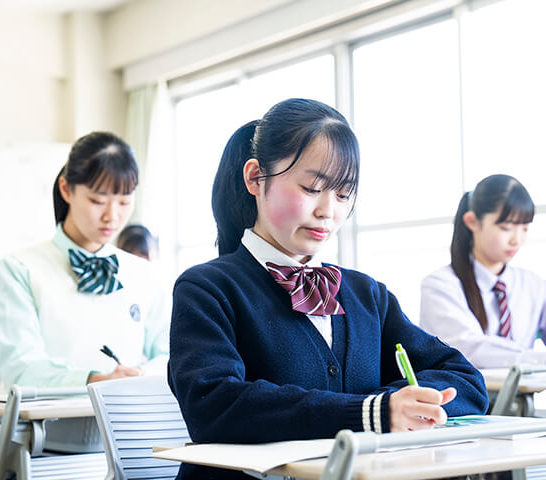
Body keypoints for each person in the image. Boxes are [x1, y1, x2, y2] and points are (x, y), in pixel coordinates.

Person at [168, 98, 488, 480]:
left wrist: (406, 405)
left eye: (342, 194)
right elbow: (214, 406)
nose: (328, 211)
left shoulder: (367, 294)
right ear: (256, 178)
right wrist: (371, 413)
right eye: (312, 188)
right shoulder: (207, 288)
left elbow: (466, 380)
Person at [0, 131, 169, 479]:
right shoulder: (20, 269)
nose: (112, 216)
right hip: (25, 453)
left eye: (124, 201)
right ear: (67, 189)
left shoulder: (143, 275)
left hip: (116, 451)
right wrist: (96, 379)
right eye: (98, 200)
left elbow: (170, 355)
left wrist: (141, 377)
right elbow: (20, 370)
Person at [420, 174, 546, 368]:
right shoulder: (440, 285)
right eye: (506, 228)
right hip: (463, 397)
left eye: (525, 229)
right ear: (472, 222)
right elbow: (470, 350)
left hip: (522, 397)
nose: (517, 239)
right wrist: (536, 359)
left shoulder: (533, 284)